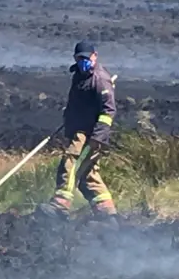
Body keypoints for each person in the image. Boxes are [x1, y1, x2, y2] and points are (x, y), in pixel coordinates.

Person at [36, 40, 118, 223]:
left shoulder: (100, 79)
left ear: (95, 56)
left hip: (90, 134)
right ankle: (107, 214)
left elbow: (108, 111)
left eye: (87, 58)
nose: (83, 61)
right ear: (75, 58)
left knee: (71, 162)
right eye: (80, 58)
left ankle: (60, 205)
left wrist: (97, 137)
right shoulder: (79, 76)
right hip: (78, 129)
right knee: (88, 175)